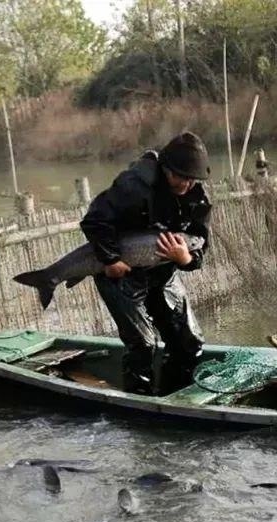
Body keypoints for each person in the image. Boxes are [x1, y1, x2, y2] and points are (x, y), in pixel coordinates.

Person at [80, 132, 212, 395]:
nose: (186, 184)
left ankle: (174, 395)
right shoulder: (133, 185)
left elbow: (201, 242)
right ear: (165, 168)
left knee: (190, 342)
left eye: (191, 179)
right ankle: (139, 404)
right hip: (122, 274)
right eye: (180, 177)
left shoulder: (197, 197)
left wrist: (185, 258)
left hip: (163, 272)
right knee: (143, 345)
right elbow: (94, 222)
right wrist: (111, 259)